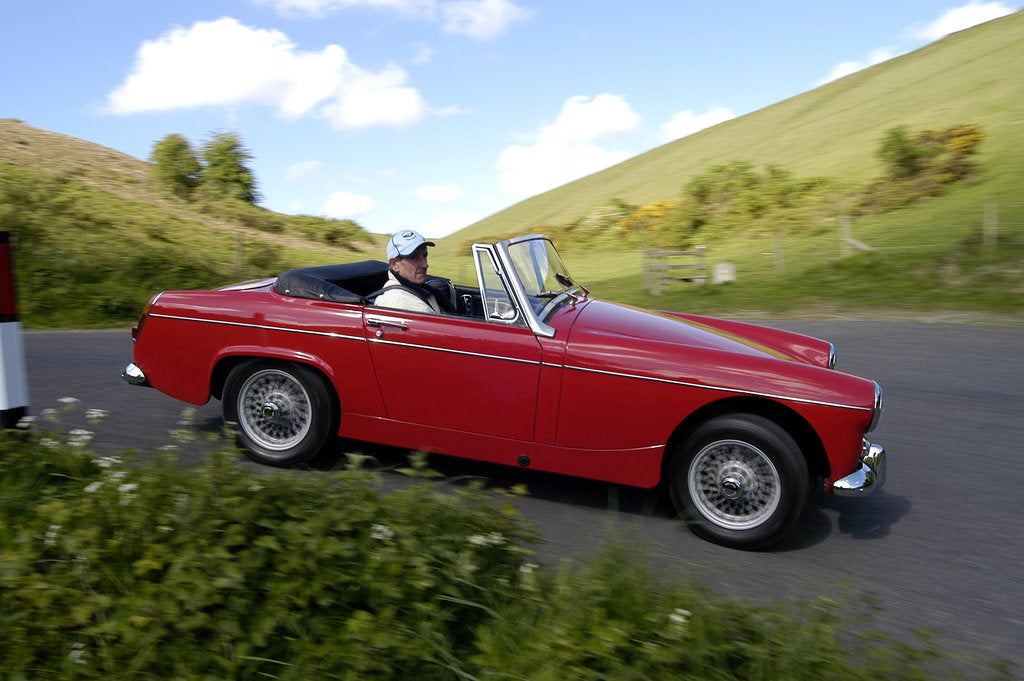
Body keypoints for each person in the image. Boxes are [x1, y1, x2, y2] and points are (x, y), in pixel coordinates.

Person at [374, 229, 448, 314]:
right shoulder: (404, 305)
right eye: (414, 258)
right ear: (395, 265)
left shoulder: (418, 289)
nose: (425, 265)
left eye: (425, 256)